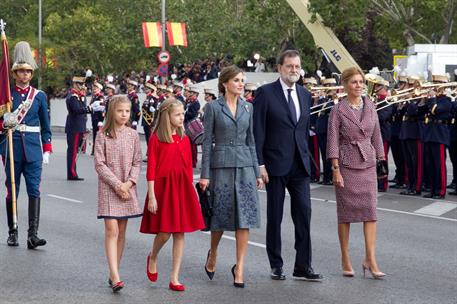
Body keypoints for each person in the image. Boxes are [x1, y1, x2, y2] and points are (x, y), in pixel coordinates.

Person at [253, 50, 322, 281]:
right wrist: (259, 164)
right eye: (290, 66)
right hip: (273, 165)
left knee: (304, 214)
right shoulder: (265, 93)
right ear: (280, 68)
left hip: (299, 165)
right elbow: (258, 131)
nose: (294, 70)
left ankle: (303, 266)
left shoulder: (304, 94)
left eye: (297, 66)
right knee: (275, 216)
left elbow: (302, 130)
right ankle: (276, 264)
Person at [199, 65, 263, 288]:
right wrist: (204, 175)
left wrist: (256, 171)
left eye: (242, 80)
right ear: (225, 83)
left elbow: (251, 140)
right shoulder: (213, 108)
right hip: (221, 167)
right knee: (220, 217)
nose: (241, 84)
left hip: (245, 167)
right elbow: (207, 143)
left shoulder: (248, 107)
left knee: (244, 219)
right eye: (236, 80)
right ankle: (213, 253)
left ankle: (240, 268)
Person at [326, 67, 386, 279]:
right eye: (354, 82)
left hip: (368, 164)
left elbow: (376, 135)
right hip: (346, 165)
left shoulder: (370, 106)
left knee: (370, 213)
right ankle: (345, 258)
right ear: (345, 85)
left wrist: (381, 160)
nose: (359, 85)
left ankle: (370, 259)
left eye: (361, 82)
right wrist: (335, 170)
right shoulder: (338, 110)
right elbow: (332, 140)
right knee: (346, 215)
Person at [140, 98, 205, 292]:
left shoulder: (185, 139)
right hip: (162, 188)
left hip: (182, 188)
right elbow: (151, 169)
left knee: (180, 233)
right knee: (165, 232)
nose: (181, 117)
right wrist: (151, 196)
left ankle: (174, 277)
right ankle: (153, 256)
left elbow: (187, 168)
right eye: (177, 114)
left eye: (182, 114)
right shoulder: (156, 138)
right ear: (167, 116)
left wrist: (191, 193)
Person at [0, 41, 52, 248]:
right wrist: (4, 122)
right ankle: (13, 232)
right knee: (12, 191)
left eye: (28, 72)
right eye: (20, 72)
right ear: (14, 74)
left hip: (33, 149)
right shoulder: (6, 95)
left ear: (32, 74)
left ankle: (33, 235)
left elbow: (45, 125)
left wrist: (47, 147)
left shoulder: (38, 96)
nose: (24, 75)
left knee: (34, 190)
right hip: (12, 148)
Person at [94, 95, 143, 293]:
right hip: (109, 188)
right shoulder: (102, 135)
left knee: (122, 232)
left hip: (127, 188)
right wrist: (117, 185)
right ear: (111, 112)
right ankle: (115, 276)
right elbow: (99, 164)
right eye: (120, 111)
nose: (124, 115)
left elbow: (137, 162)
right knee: (111, 231)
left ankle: (115, 270)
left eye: (127, 111)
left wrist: (129, 183)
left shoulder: (133, 135)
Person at [422, 75, 453, 199]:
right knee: (430, 164)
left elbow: (435, 110)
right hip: (430, 133)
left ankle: (440, 190)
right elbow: (424, 110)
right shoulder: (432, 99)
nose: (433, 86)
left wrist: (432, 98)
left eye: (436, 84)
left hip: (439, 135)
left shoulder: (447, 100)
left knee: (439, 164)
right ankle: (433, 189)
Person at [65, 76, 91, 180]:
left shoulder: (78, 96)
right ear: (75, 84)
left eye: (83, 84)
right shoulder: (72, 96)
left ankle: (73, 172)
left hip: (77, 126)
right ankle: (72, 173)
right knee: (72, 151)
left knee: (74, 151)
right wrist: (89, 109)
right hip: (74, 127)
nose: (82, 86)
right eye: (80, 84)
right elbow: (77, 110)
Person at [90, 82, 105, 155]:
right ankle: (94, 149)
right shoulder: (94, 97)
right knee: (94, 134)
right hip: (93, 117)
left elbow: (102, 108)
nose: (94, 89)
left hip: (98, 118)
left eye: (96, 88)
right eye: (94, 88)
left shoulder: (100, 97)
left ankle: (98, 150)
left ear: (99, 89)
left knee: (98, 135)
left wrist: (101, 120)